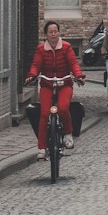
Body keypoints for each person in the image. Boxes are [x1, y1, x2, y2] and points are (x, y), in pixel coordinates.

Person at [25, 20, 85, 159]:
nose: (53, 34)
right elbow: (36, 65)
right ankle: (42, 148)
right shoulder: (41, 49)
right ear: (46, 34)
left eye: (55, 31)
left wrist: (78, 75)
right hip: (47, 84)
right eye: (50, 32)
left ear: (59, 32)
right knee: (44, 114)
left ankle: (68, 135)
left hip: (64, 83)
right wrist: (32, 75)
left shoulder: (66, 47)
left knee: (63, 108)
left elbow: (73, 63)